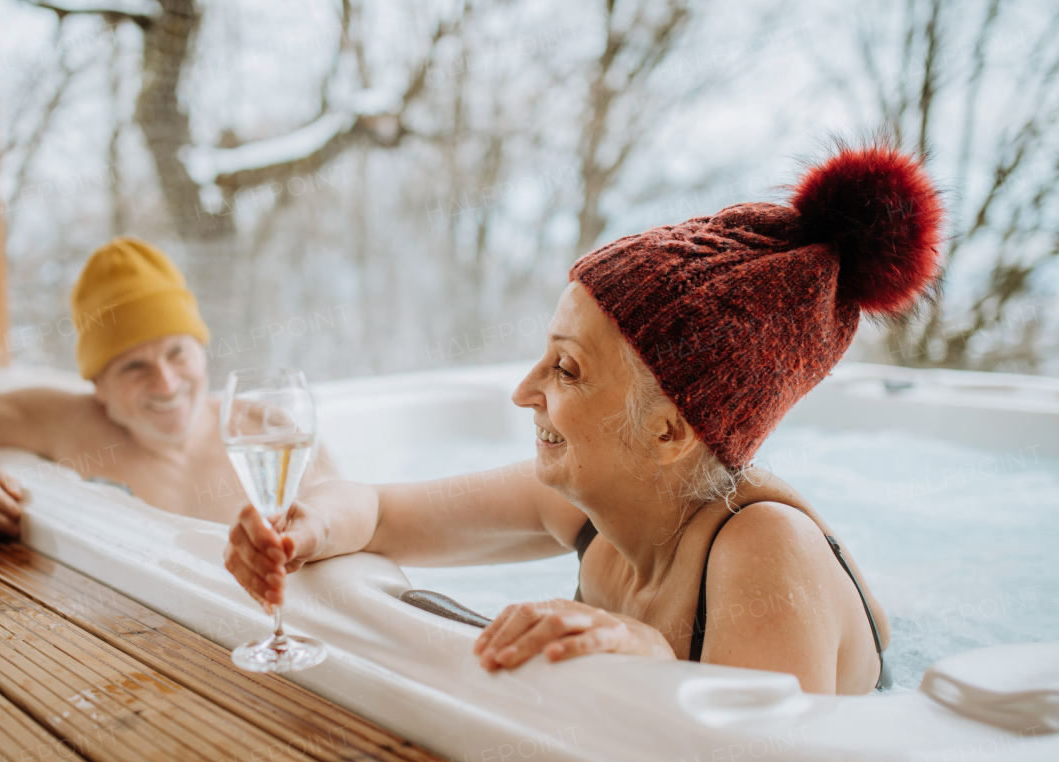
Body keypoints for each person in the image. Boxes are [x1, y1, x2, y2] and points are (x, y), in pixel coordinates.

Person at [224, 143, 946, 695]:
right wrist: (303, 529)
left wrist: (652, 660)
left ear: (669, 430)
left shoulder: (766, 549)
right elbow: (379, 512)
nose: (523, 390)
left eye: (566, 368)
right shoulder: (589, 504)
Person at [0, 237, 335, 540]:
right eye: (133, 367)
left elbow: (350, 528)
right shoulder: (66, 420)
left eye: (177, 353)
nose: (165, 382)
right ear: (98, 385)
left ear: (202, 350)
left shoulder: (268, 436)